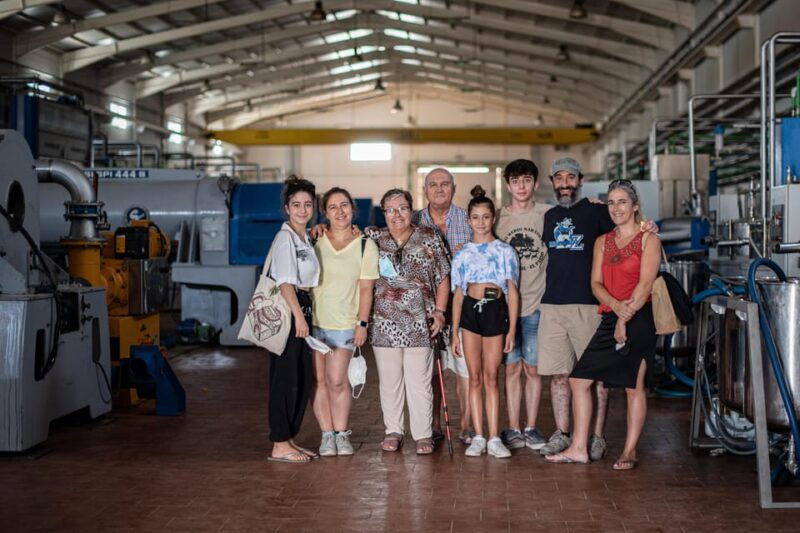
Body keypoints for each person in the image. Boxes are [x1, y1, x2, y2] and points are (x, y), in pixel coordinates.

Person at [537, 158, 656, 460]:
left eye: (571, 177)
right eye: (559, 177)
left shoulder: (600, 213)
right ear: (552, 181)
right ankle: (570, 440)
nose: (565, 183)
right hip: (576, 306)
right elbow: (597, 279)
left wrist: (647, 224)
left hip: (608, 311)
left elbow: (644, 274)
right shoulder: (552, 217)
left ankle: (602, 440)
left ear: (580, 180)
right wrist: (616, 310)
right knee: (567, 376)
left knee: (616, 382)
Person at [365, 189, 451, 455]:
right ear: (383, 213)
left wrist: (440, 312)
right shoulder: (373, 238)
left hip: (420, 322)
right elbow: (342, 233)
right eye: (390, 209)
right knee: (389, 381)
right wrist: (319, 228)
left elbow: (443, 278)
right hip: (384, 322)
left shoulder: (429, 236)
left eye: (402, 208)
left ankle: (423, 434)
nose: (396, 214)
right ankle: (393, 430)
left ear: (411, 210)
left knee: (420, 381)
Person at [451, 186, 520, 458]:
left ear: (493, 219)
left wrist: (512, 329)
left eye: (486, 217)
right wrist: (455, 331)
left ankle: (494, 437)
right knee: (474, 378)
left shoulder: (505, 251)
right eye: (475, 217)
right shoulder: (462, 253)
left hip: (495, 312)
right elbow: (458, 294)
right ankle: (478, 435)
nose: (481, 222)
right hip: (470, 313)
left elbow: (513, 292)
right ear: (468, 221)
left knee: (492, 378)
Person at [311, 187, 379, 457]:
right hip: (314, 323)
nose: (340, 211)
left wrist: (362, 323)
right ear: (325, 212)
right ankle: (327, 435)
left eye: (344, 205)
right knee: (318, 382)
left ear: (353, 208)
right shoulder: (314, 238)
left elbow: (366, 289)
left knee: (338, 381)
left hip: (344, 325)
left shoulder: (365, 244)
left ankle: (341, 433)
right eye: (333, 207)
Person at [412, 167, 475, 445]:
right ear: (425, 190)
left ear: (454, 187)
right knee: (431, 371)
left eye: (445, 184)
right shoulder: (412, 221)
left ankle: (468, 426)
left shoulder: (468, 219)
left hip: (464, 304)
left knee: (465, 369)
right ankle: (433, 424)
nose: (439, 189)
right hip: (426, 308)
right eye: (433, 184)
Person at [494, 159, 551, 451]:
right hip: (506, 309)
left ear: (536, 184)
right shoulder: (497, 218)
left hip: (538, 304)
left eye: (527, 180)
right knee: (512, 370)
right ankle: (513, 428)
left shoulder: (548, 214)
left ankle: (531, 427)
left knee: (533, 370)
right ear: (508, 186)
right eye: (515, 181)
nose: (521, 186)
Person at [266, 176, 320, 464]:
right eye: (296, 204)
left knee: (299, 378)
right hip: (291, 310)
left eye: (307, 204)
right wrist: (299, 318)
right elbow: (285, 283)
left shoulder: (303, 237)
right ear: (286, 208)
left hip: (302, 308)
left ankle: (288, 440)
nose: (302, 209)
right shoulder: (285, 238)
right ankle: (279, 444)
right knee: (284, 379)